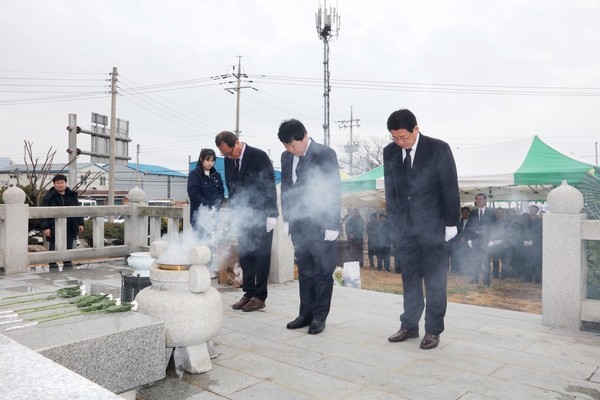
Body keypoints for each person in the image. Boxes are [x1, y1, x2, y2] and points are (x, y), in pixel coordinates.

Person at [384, 109, 460, 350]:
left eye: (403, 137)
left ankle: (433, 330)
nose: (399, 142)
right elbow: (391, 192)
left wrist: (451, 223)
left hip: (434, 226)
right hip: (405, 229)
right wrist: (394, 224)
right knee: (410, 280)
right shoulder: (390, 152)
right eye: (395, 138)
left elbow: (450, 187)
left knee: (435, 282)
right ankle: (409, 325)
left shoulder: (438, 148)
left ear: (416, 129)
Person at [278, 119, 341, 335]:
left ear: (305, 136)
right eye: (286, 146)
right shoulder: (286, 157)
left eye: (293, 145)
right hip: (299, 223)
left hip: (322, 222)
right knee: (305, 271)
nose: (290, 150)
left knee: (322, 272)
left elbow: (333, 189)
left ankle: (319, 317)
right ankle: (305, 314)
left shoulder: (325, 154)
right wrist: (286, 219)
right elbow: (286, 188)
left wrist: (332, 225)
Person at [215, 131, 279, 312]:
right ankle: (248, 292)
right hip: (243, 215)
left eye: (229, 152)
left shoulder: (258, 156)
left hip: (262, 214)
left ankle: (260, 296)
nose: (228, 156)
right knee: (246, 255)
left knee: (261, 256)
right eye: (224, 154)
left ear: (236, 143)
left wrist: (271, 214)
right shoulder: (229, 160)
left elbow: (268, 184)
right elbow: (232, 187)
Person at [40, 174, 84, 268]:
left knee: (69, 246)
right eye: (58, 183)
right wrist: (46, 227)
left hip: (70, 225)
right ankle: (52, 264)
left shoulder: (72, 195)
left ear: (65, 183)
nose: (60, 185)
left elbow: (78, 209)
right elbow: (43, 213)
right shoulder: (48, 197)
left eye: (62, 183)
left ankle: (68, 263)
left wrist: (80, 223)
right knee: (53, 246)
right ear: (54, 184)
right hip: (53, 226)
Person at [187, 148, 225, 243]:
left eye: (212, 161)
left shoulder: (217, 175)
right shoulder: (194, 175)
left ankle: (210, 258)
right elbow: (193, 193)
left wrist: (216, 206)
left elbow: (221, 193)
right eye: (207, 160)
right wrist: (207, 206)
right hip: (198, 217)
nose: (210, 163)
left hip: (213, 217)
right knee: (199, 245)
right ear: (201, 159)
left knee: (211, 244)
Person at [464, 193, 496, 286]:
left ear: (485, 201)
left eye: (481, 199)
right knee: (475, 260)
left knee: (486, 261)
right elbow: (469, 226)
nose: (479, 201)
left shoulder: (491, 213)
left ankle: (486, 280)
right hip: (475, 240)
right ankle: (475, 278)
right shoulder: (473, 213)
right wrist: (469, 239)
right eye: (477, 199)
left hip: (486, 240)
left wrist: (492, 239)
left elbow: (494, 227)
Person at [520, 205, 543, 283]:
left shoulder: (540, 222)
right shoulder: (524, 221)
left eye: (534, 210)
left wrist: (533, 241)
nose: (532, 211)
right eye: (531, 210)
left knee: (537, 262)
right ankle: (528, 277)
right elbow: (521, 232)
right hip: (526, 244)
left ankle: (538, 278)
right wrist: (524, 240)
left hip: (536, 245)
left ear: (537, 211)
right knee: (527, 262)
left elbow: (541, 233)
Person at [449, 206, 472, 275]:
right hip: (459, 243)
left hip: (468, 242)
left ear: (469, 213)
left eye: (466, 212)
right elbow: (457, 232)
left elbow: (472, 231)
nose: (465, 214)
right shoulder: (459, 221)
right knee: (459, 256)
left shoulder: (472, 221)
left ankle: (468, 271)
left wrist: (466, 238)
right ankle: (458, 271)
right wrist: (459, 238)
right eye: (464, 212)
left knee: (468, 257)